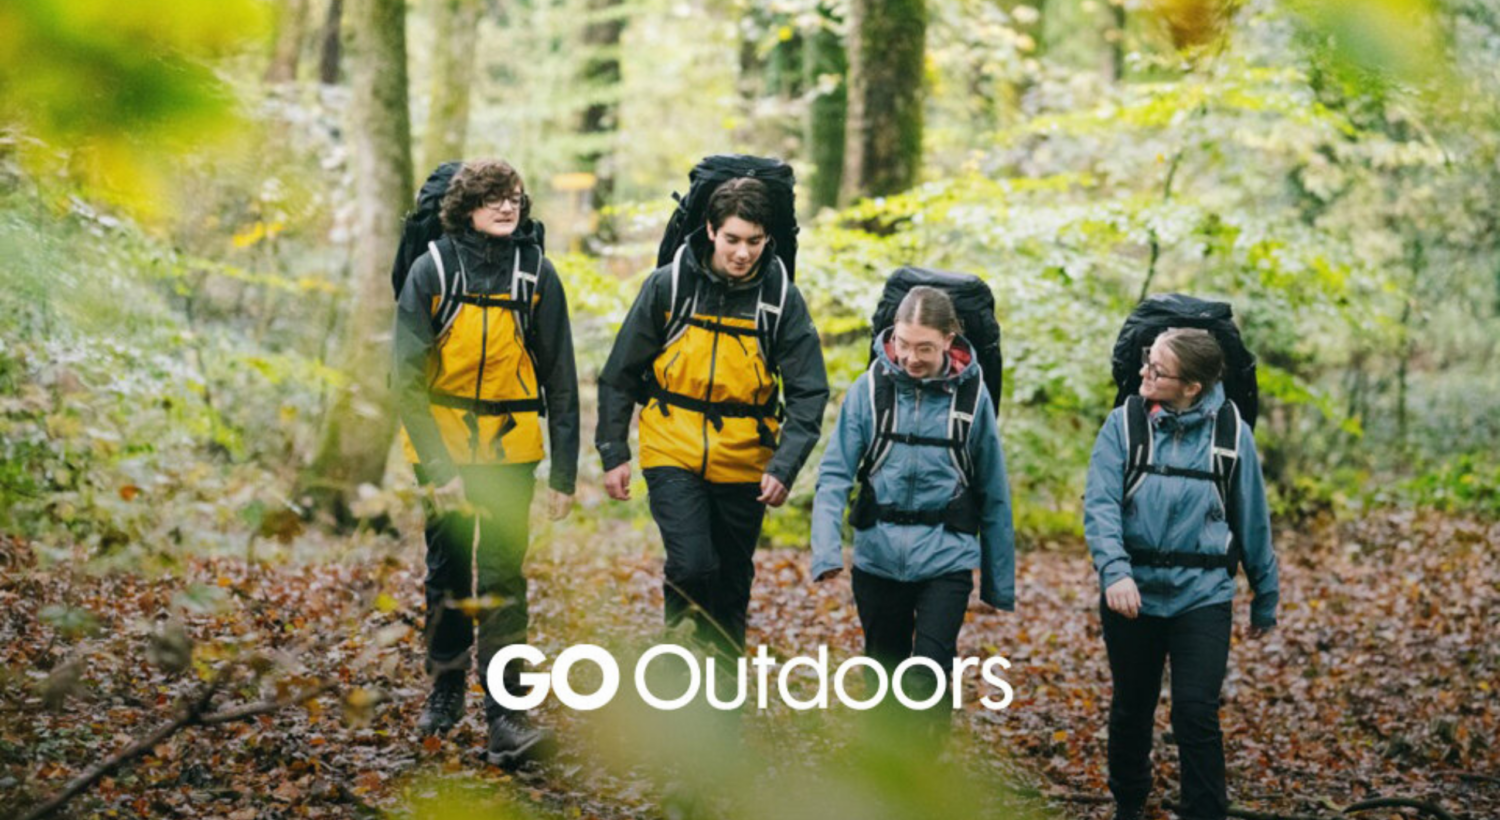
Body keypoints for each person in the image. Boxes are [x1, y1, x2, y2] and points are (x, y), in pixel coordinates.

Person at [392, 159, 579, 766]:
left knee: (503, 580)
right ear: (466, 205)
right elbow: (406, 380)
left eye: (516, 198)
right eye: (495, 198)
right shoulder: (433, 269)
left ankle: (507, 714)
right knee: (448, 573)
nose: (507, 208)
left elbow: (562, 378)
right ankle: (446, 691)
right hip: (443, 451)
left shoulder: (538, 275)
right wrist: (437, 468)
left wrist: (565, 472)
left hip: (511, 453)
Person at [596, 178, 829, 658]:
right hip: (670, 447)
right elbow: (620, 374)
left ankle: (720, 704)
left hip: (746, 460)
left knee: (731, 582)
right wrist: (614, 451)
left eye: (754, 242)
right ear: (710, 230)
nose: (743, 253)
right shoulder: (669, 286)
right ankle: (677, 675)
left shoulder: (780, 301)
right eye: (732, 240)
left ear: (768, 240)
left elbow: (809, 392)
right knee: (692, 565)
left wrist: (784, 466)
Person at [1084, 328, 1279, 820]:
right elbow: (1101, 506)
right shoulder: (1124, 425)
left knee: (1196, 712)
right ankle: (1129, 802)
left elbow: (1251, 517)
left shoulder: (1232, 434)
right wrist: (1115, 572)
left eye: (1158, 370)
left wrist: (1265, 595)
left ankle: (1206, 811)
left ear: (1192, 386)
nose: (1145, 374)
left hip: (1203, 594)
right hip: (1134, 592)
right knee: (1133, 705)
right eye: (1148, 362)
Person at [810, 286, 1015, 727]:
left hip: (946, 556)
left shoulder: (971, 401)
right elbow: (833, 477)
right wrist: (826, 551)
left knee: (927, 673)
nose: (910, 357)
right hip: (878, 556)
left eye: (924, 347)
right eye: (903, 343)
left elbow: (993, 491)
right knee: (884, 676)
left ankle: (925, 765)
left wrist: (999, 583)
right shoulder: (868, 393)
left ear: (949, 339)